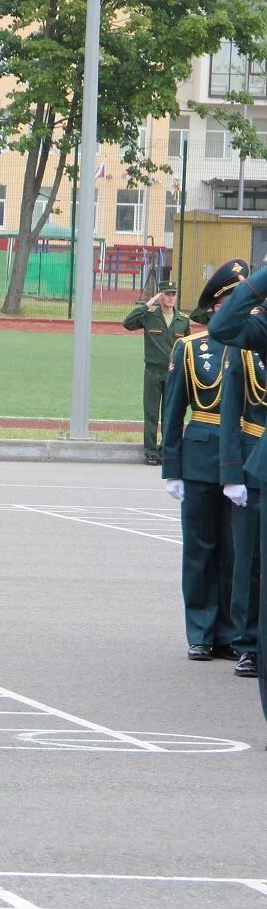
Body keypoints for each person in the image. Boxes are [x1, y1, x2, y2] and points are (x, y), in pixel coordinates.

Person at [166, 263, 247, 662]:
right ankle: (200, 630)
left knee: (236, 552)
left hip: (242, 460)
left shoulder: (253, 344)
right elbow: (174, 409)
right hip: (199, 456)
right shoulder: (189, 348)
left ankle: (231, 633)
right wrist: (171, 467)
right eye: (231, 302)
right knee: (200, 549)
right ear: (216, 307)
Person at [219, 342, 264, 679]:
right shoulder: (245, 348)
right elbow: (231, 411)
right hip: (253, 461)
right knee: (249, 559)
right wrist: (232, 473)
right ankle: (248, 643)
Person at [125, 280, 189, 465]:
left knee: (169, 414)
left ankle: (164, 450)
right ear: (160, 295)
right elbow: (127, 323)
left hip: (173, 373)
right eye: (167, 294)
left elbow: (186, 347)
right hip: (153, 372)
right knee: (151, 414)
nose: (170, 298)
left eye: (173, 294)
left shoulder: (183, 320)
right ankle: (151, 452)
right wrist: (146, 305)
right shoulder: (150, 315)